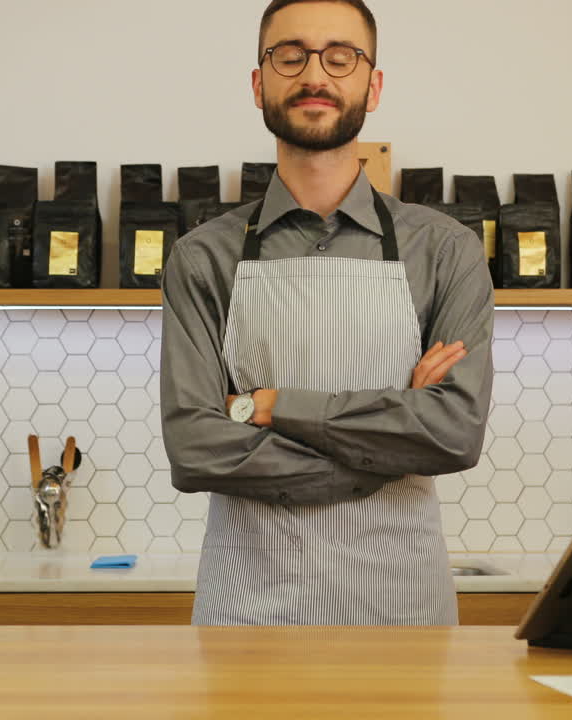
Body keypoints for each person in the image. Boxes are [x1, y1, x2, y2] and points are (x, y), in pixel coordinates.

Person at [159, 0, 494, 626]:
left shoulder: (445, 250)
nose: (315, 74)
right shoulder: (203, 257)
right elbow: (195, 447)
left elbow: (453, 433)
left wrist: (269, 406)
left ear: (374, 85)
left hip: (402, 612)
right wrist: (388, 446)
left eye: (341, 57)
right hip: (246, 612)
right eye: (290, 56)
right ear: (259, 83)